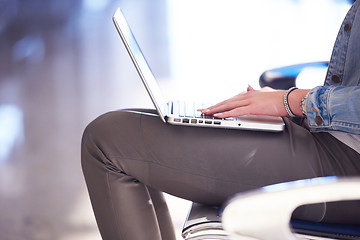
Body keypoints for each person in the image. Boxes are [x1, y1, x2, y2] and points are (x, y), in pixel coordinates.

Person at [81, 1, 360, 240]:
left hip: (346, 164)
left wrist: (294, 100)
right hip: (332, 134)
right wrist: (297, 104)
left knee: (107, 141)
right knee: (133, 129)